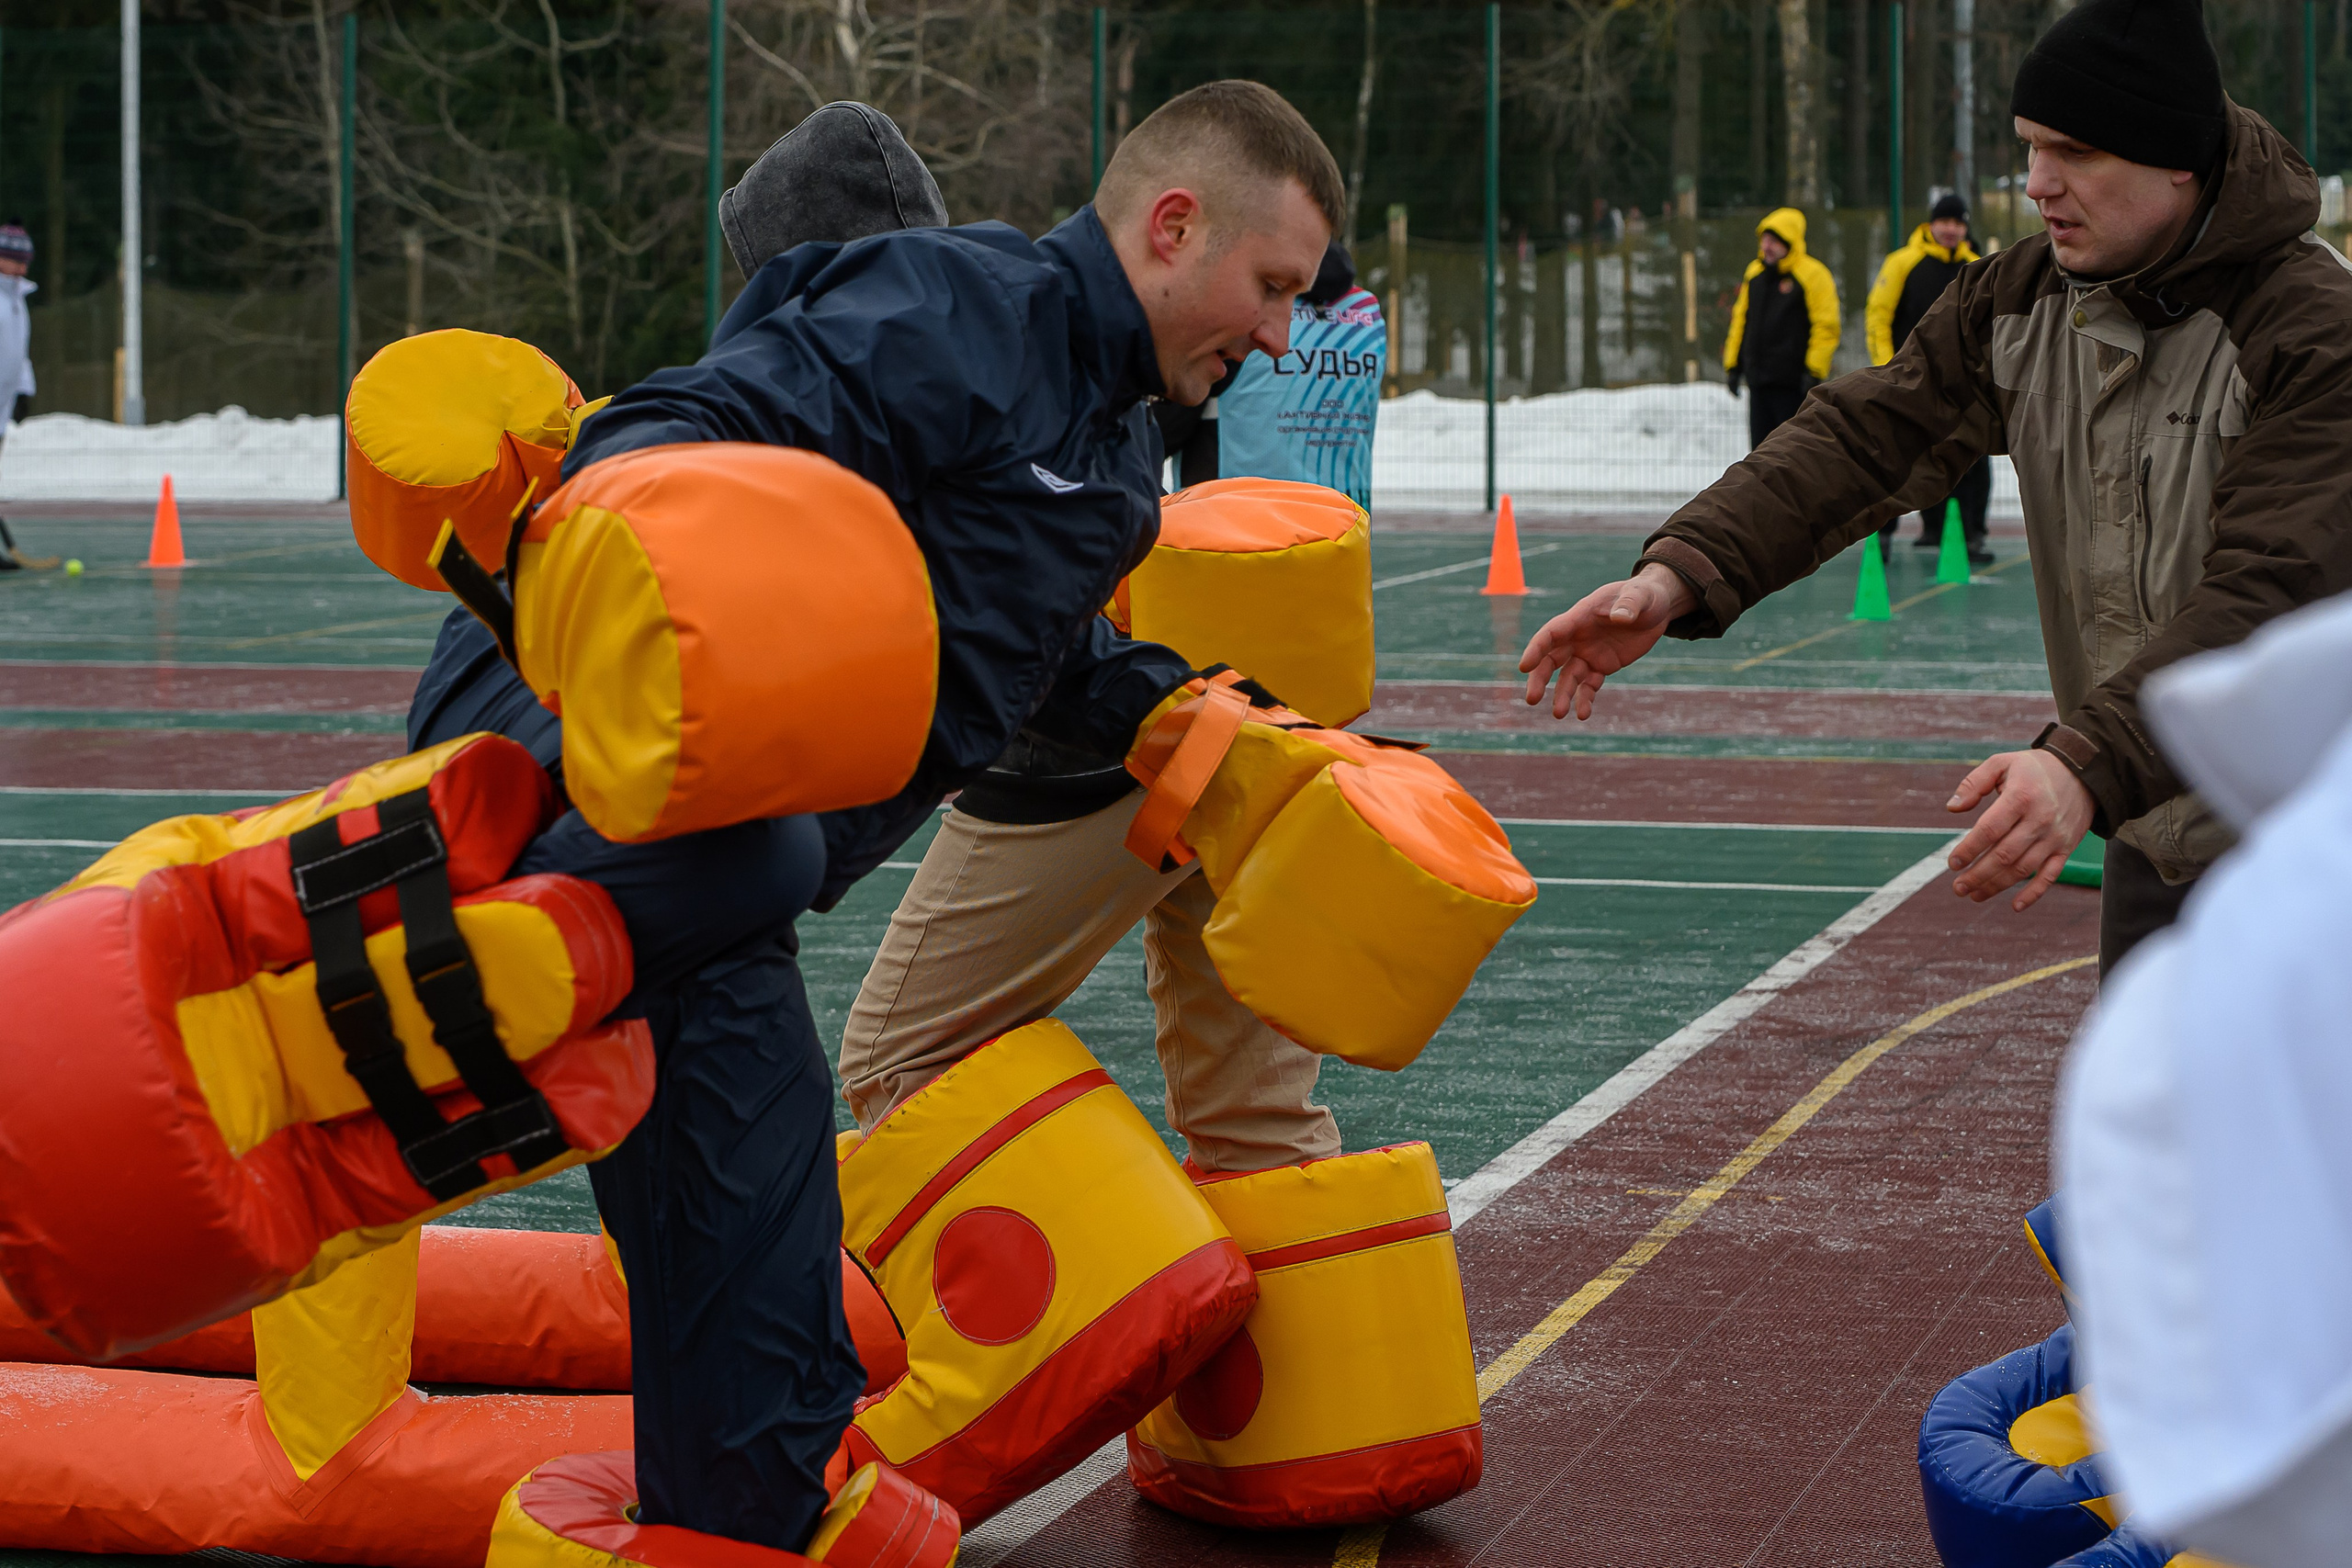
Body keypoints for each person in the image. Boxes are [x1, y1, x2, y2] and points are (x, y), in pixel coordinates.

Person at [408, 82, 1336, 1554]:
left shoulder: (1101, 433)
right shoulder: (964, 307)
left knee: (750, 1345)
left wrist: (1196, 719)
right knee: (761, 1344)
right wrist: (606, 726)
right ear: (1174, 227)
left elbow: (1015, 643)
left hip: (707, 877)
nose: (1284, 331)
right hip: (622, 799)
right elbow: (666, 431)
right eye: (1274, 286)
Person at [1518, 0, 2352, 977]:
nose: (2037, 183)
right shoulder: (2018, 297)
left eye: (2074, 151)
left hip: (2312, 842)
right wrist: (1685, 570)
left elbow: (2268, 593)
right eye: (2031, 148)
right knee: (2162, 1126)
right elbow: (1862, 435)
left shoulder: (2311, 333)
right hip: (2156, 829)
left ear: (2178, 157)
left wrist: (2080, 763)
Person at [1152, 238, 1385, 507]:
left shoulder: (1242, 312)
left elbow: (1156, 436)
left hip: (1241, 536)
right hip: (1341, 533)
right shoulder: (1366, 313)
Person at [1868, 194, 1994, 566]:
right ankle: (1891, 534)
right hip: (1910, 380)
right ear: (1931, 224)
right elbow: (1879, 316)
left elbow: (1992, 324)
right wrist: (1887, 367)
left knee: (1971, 457)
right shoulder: (1903, 263)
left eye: (1959, 223)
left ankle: (1971, 534)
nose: (1951, 229)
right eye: (1945, 221)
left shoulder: (1977, 267)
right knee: (1900, 457)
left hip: (1964, 383)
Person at [1721, 206, 1839, 449]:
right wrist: (1734, 365)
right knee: (1761, 453)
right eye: (1764, 239)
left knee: (1792, 452)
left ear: (1790, 242)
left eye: (1774, 241)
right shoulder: (1755, 274)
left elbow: (1825, 326)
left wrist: (1814, 370)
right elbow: (1742, 320)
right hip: (1759, 382)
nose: (1766, 246)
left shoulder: (1813, 275)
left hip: (1793, 384)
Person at [0, 222, 38, 574]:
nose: (23, 267)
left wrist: (24, 389)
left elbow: (17, 350)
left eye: (25, 261)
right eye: (15, 260)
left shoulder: (17, 299)